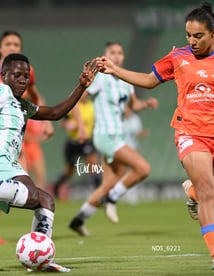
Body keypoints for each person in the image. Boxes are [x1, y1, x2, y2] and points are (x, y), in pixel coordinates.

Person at [0, 53, 98, 273]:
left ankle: (40, 258)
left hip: (3, 163)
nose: (23, 79)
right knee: (29, 190)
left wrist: (81, 87)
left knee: (45, 200)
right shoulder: (1, 91)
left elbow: (54, 113)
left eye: (26, 75)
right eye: (17, 75)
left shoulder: (22, 106)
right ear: (4, 76)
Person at [96, 3, 214, 269]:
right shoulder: (178, 57)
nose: (192, 41)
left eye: (199, 36)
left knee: (206, 191)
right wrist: (116, 71)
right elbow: (150, 80)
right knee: (209, 191)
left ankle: (192, 191)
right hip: (191, 132)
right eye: (189, 35)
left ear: (213, 34)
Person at [68, 41, 158, 236]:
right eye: (112, 52)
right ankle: (112, 199)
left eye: (120, 52)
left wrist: (147, 104)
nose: (117, 56)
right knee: (143, 168)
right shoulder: (101, 78)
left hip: (117, 136)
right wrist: (82, 128)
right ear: (104, 56)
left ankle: (79, 219)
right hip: (105, 135)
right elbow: (76, 101)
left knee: (109, 183)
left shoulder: (126, 80)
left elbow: (132, 107)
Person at [0, 30, 53, 244]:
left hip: (17, 135)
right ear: (0, 48)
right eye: (8, 43)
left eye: (16, 44)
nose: (12, 47)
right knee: (11, 179)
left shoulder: (28, 71)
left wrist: (45, 122)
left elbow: (35, 97)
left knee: (17, 181)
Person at [52, 93, 101, 200]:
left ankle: (98, 195)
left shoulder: (91, 106)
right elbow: (63, 123)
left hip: (86, 141)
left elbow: (95, 123)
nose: (83, 94)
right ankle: (57, 187)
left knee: (93, 166)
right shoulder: (73, 105)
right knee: (69, 171)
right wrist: (69, 125)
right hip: (73, 143)